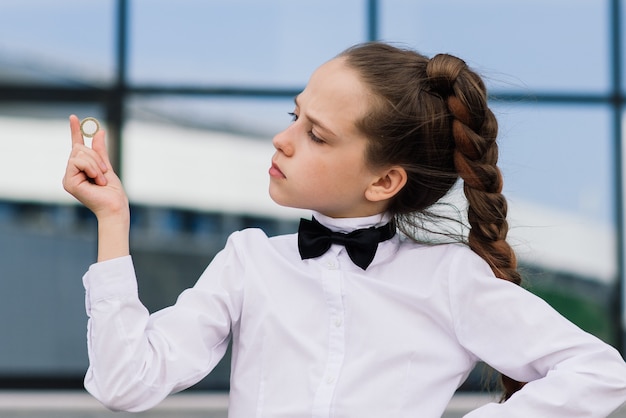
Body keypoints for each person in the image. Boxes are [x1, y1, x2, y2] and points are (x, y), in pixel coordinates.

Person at [63, 42, 626, 417]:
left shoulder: (449, 277)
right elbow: (125, 382)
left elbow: (600, 369)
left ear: (384, 181)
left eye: (318, 134)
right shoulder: (249, 260)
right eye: (294, 117)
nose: (283, 141)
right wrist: (112, 219)